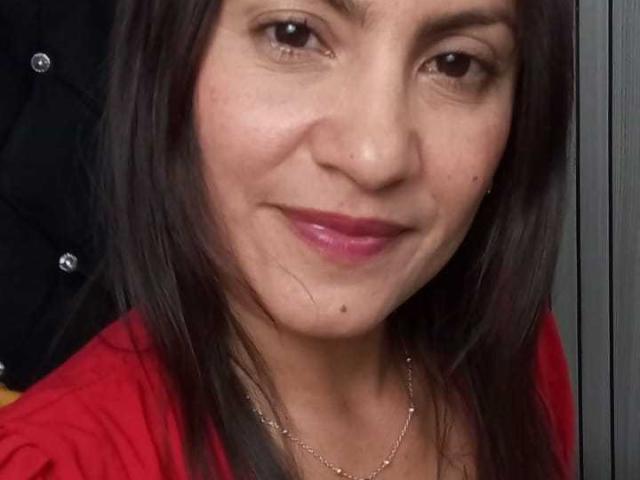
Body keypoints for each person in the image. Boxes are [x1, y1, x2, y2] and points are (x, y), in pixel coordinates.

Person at [0, 0, 575, 478]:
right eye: (294, 34)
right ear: (170, 63)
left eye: (455, 64)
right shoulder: (56, 464)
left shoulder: (513, 363)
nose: (375, 157)